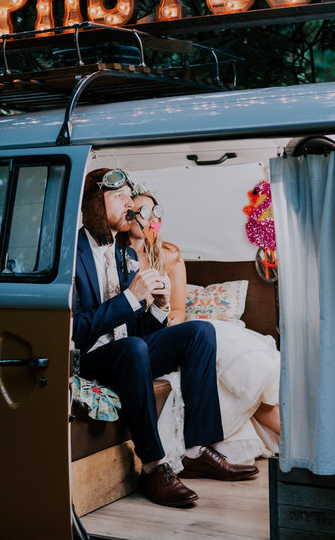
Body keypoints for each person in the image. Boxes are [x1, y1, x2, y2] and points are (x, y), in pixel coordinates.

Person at [72, 168, 258, 508]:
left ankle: (196, 450)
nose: (129, 205)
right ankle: (154, 468)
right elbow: (76, 330)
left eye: (131, 197)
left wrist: (157, 308)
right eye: (120, 198)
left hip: (129, 350)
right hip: (91, 356)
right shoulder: (72, 254)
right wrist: (129, 298)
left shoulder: (125, 254)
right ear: (95, 205)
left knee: (200, 331)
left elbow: (139, 332)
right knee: (131, 349)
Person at [128, 184, 281, 468]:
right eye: (141, 211)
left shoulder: (170, 255)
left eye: (153, 212)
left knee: (240, 365)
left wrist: (171, 318)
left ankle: (293, 440)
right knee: (228, 363)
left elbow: (178, 309)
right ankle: (293, 442)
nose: (148, 218)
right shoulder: (115, 257)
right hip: (142, 336)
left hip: (170, 329)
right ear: (129, 216)